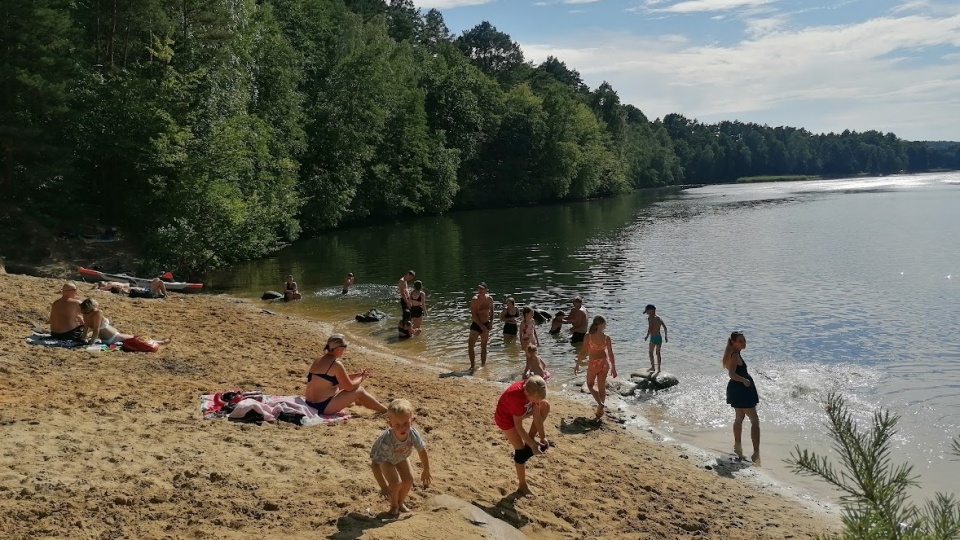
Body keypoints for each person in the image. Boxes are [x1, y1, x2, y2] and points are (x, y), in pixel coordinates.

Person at [370, 399, 432, 516]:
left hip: (401, 456)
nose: (402, 428)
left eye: (405, 424)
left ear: (412, 421)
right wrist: (383, 486)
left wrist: (426, 469)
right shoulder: (386, 440)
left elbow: (422, 450)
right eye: (397, 424)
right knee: (395, 483)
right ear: (390, 424)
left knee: (409, 479)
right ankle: (394, 506)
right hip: (386, 460)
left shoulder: (413, 433)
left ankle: (400, 502)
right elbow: (375, 464)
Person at [304, 334, 388, 415]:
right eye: (345, 348)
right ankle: (386, 411)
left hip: (310, 403)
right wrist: (362, 377)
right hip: (322, 406)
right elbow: (349, 387)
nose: (345, 350)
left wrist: (357, 375)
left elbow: (333, 378)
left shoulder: (319, 359)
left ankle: (362, 401)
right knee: (359, 390)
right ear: (338, 349)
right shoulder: (336, 364)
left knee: (340, 387)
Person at [494, 376, 550, 496]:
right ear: (526, 392)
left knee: (545, 405)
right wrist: (532, 446)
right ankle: (522, 485)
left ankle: (530, 439)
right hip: (506, 419)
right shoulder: (515, 397)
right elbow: (518, 427)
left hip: (520, 412)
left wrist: (542, 436)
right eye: (535, 400)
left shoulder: (534, 386)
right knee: (520, 451)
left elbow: (537, 416)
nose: (536, 402)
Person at [723, 331, 760, 464]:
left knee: (739, 417)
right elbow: (732, 374)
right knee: (754, 420)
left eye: (744, 340)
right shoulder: (734, 355)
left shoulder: (733, 353)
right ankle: (756, 452)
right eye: (740, 341)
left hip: (737, 390)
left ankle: (738, 447)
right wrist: (744, 380)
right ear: (733, 342)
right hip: (741, 390)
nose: (743, 343)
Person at [574, 315, 618, 420]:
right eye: (605, 323)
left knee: (590, 385)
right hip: (604, 362)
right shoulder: (606, 337)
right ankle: (599, 411)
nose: (606, 325)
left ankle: (600, 403)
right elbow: (610, 354)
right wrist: (613, 368)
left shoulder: (588, 336)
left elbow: (584, 352)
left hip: (594, 363)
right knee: (602, 388)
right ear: (601, 325)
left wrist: (577, 364)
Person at [79, 298, 171, 347]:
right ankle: (160, 342)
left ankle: (160, 341)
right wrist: (91, 344)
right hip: (113, 337)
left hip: (104, 339)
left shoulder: (85, 313)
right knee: (137, 338)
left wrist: (84, 339)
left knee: (135, 339)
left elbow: (87, 327)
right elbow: (96, 330)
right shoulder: (97, 312)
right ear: (92, 306)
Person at [467, 282, 494, 371]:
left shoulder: (489, 299)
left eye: (482, 289)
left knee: (484, 346)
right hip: (476, 324)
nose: (480, 290)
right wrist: (481, 325)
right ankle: (472, 366)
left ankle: (482, 366)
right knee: (471, 345)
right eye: (479, 289)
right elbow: (474, 315)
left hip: (486, 324)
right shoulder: (475, 300)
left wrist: (491, 322)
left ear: (486, 290)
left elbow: (492, 311)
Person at [643, 304, 668, 374]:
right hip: (659, 337)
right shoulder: (659, 318)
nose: (647, 313)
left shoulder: (650, 318)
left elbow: (650, 328)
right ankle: (659, 368)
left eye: (647, 311)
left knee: (651, 352)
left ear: (651, 310)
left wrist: (647, 336)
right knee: (658, 353)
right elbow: (665, 328)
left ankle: (653, 367)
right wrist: (666, 337)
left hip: (653, 338)